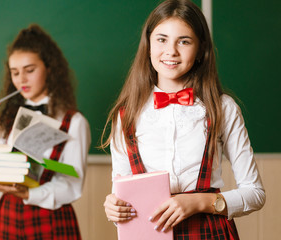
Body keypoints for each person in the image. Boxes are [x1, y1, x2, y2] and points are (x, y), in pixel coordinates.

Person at [101, 0, 265, 239]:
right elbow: (123, 197)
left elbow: (255, 193)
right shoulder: (126, 114)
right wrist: (113, 208)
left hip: (210, 232)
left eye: (184, 41)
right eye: (161, 39)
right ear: (148, 46)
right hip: (149, 233)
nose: (171, 51)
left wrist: (199, 203)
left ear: (200, 50)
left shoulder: (223, 108)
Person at [0, 24, 91, 240]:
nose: (21, 80)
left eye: (30, 70)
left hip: (52, 222)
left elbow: (73, 185)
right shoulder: (7, 116)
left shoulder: (74, 122)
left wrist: (29, 193)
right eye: (15, 73)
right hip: (9, 216)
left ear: (49, 68)